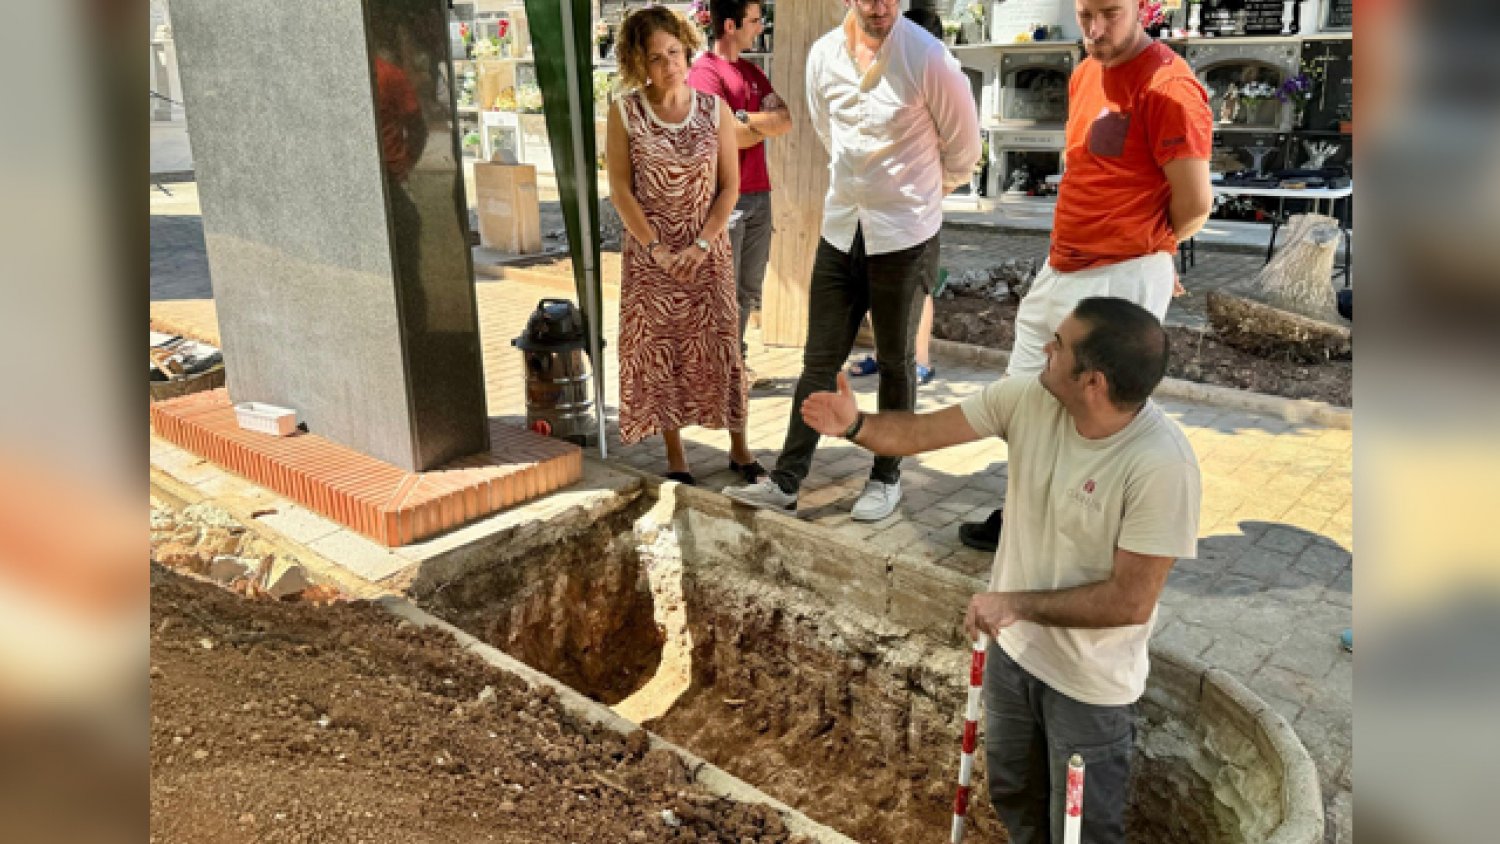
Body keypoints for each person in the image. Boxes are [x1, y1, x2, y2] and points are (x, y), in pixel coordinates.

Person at [800, 297, 1201, 844]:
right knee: (1014, 797)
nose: (1045, 348)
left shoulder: (1161, 465)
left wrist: (1014, 604)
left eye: (1059, 345)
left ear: (1094, 382)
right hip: (1014, 658)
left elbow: (1129, 603)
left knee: (1083, 833)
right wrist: (856, 425)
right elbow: (918, 434)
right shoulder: (1029, 397)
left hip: (1089, 686)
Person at [957, 0, 1213, 552]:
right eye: (1085, 14)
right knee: (1023, 395)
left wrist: (1155, 254)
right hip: (1062, 264)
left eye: (1110, 14)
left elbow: (1195, 203)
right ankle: (1025, 515)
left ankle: (1087, 536)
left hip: (1122, 275)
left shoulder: (1170, 87)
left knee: (1096, 412)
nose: (1095, 30)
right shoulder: (1084, 72)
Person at [723, 0, 981, 521]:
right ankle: (788, 481)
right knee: (817, 361)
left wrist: (920, 194)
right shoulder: (823, 57)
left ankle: (887, 477)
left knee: (895, 362)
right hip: (842, 229)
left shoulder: (929, 59)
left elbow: (964, 150)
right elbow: (827, 132)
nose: (881, 6)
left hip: (905, 235)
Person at [605, 7, 757, 486]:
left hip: (706, 254)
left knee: (722, 346)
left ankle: (740, 447)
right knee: (662, 352)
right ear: (638, 63)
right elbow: (620, 190)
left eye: (675, 51)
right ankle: (677, 456)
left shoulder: (715, 110)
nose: (670, 64)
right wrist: (656, 249)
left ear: (687, 46)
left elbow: (729, 187)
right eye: (656, 58)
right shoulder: (625, 112)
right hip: (652, 260)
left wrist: (702, 242)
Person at [687, 0, 793, 404]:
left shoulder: (752, 71)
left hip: (758, 194)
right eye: (754, 20)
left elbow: (784, 119)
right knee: (720, 292)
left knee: (747, 291)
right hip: (722, 199)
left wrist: (745, 122)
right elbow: (721, 133)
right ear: (730, 25)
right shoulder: (704, 74)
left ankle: (735, 362)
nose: (760, 26)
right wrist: (754, 123)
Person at [846, 5, 949, 388]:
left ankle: (919, 359)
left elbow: (957, 147)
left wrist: (936, 188)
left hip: (918, 204)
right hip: (877, 199)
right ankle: (883, 352)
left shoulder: (940, 79)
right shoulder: (885, 75)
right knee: (877, 279)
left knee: (916, 282)